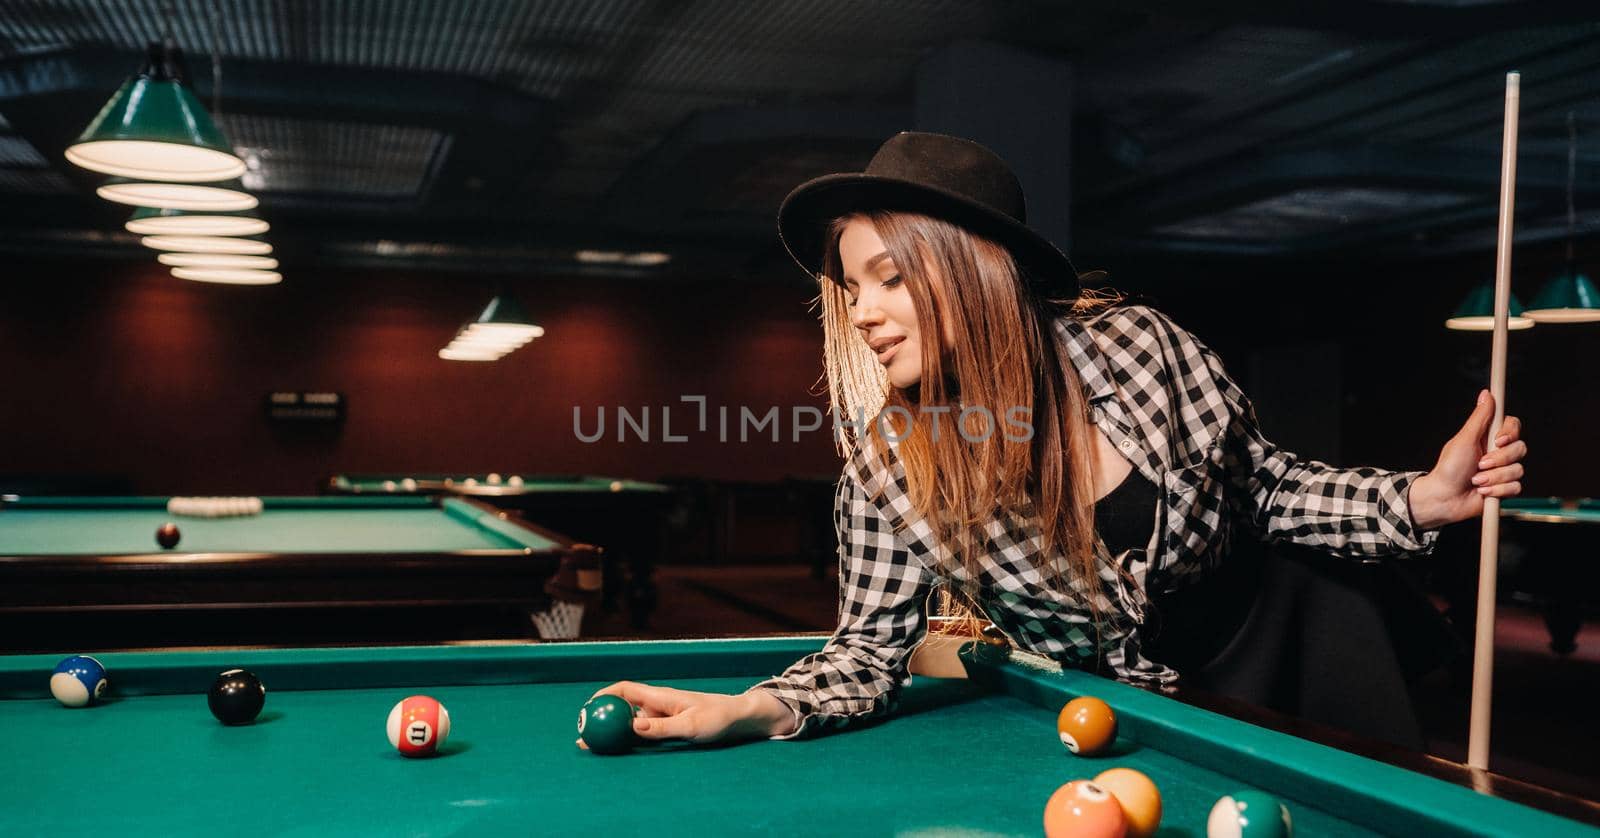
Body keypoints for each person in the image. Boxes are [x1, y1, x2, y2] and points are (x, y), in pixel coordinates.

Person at [585, 131, 1527, 748]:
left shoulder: (1141, 347)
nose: (862, 313)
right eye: (851, 288)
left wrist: (1420, 499)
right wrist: (750, 709)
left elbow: (1266, 489)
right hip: (1132, 706)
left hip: (1292, 637)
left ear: (965, 270)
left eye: (886, 279)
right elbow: (868, 652)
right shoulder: (883, 464)